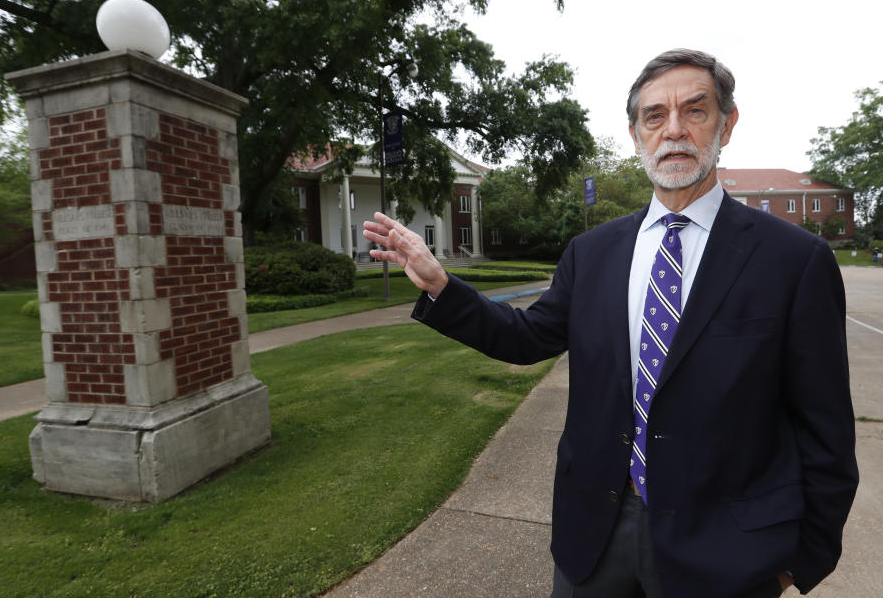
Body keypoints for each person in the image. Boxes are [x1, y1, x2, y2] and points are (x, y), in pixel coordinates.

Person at [363, 49, 858, 598]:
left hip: (726, 549)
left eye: (695, 111)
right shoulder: (592, 252)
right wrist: (441, 288)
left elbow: (826, 428)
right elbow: (527, 339)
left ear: (727, 123)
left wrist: (803, 557)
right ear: (634, 133)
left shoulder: (793, 259)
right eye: (654, 116)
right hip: (595, 534)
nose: (674, 130)